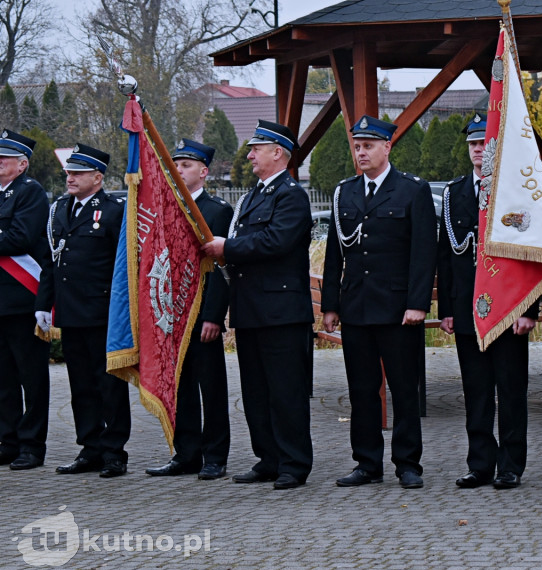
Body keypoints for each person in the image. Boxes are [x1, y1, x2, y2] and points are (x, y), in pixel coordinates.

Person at [322, 115, 436, 490]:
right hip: (357, 306)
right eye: (357, 146)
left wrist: (417, 303)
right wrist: (331, 305)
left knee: (404, 389)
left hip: (398, 308)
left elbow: (423, 254)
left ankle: (408, 463)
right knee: (362, 389)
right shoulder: (345, 192)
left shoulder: (411, 190)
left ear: (387, 147)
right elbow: (335, 254)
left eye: (369, 145)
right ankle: (367, 463)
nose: (361, 152)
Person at [201, 120, 314, 490]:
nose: (249, 156)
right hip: (251, 310)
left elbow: (276, 242)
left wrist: (226, 248)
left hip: (281, 312)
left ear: (277, 152)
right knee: (256, 392)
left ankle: (293, 464)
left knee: (286, 392)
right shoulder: (251, 197)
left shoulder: (292, 195)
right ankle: (268, 458)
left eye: (256, 149)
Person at [436, 113, 535, 490]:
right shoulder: (454, 193)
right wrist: (446, 307)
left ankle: (510, 465)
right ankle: (480, 463)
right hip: (468, 308)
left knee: (510, 390)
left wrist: (526, 310)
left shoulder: (514, 191)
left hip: (508, 308)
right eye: (474, 145)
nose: (479, 151)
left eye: (485, 143)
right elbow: (446, 256)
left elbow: (527, 255)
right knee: (476, 391)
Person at [36, 144, 131, 478]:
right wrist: (43, 306)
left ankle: (114, 452)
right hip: (71, 311)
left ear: (98, 177)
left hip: (104, 312)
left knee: (109, 385)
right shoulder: (60, 208)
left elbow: (124, 265)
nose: (70, 178)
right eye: (68, 172)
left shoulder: (114, 210)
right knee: (81, 386)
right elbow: (52, 261)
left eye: (77, 173)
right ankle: (90, 447)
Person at [146, 139, 232, 481]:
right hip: (172, 315)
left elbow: (221, 270)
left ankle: (215, 456)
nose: (178, 171)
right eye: (176, 165)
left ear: (204, 172)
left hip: (201, 314)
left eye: (186, 166)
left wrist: (213, 315)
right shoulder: (167, 211)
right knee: (179, 388)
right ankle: (185, 453)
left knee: (210, 389)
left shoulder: (216, 211)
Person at [0, 129, 51, 471]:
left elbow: (19, 238)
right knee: (3, 378)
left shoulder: (30, 192)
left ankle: (32, 445)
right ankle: (8, 440)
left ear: (21, 164)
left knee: (30, 376)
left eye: (2, 159)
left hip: (23, 297)